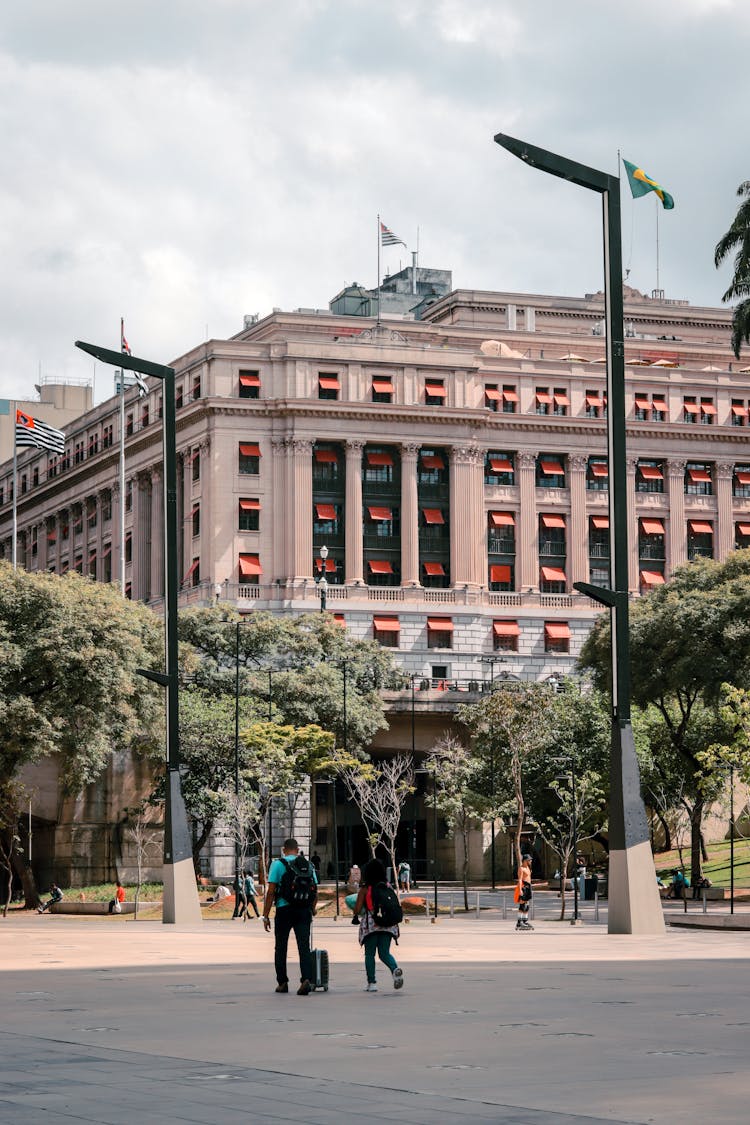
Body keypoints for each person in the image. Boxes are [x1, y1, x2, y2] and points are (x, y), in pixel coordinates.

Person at [262, 838, 318, 996]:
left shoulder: (278, 864)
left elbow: (271, 891)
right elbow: (315, 892)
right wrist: (312, 910)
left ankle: (282, 982)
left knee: (281, 947)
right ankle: (306, 979)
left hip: (284, 909)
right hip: (303, 911)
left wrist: (265, 916)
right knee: (304, 947)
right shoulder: (308, 865)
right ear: (297, 849)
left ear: (284, 849)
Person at [353, 858, 404, 993]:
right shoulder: (387, 886)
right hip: (388, 924)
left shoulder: (365, 888)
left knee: (369, 954)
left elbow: (357, 908)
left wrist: (356, 913)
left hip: (371, 926)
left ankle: (372, 983)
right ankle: (394, 969)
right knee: (384, 953)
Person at [516, 853, 534, 931]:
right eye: (529, 860)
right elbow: (520, 879)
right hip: (524, 887)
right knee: (522, 904)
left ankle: (525, 921)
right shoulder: (521, 869)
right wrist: (520, 889)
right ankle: (519, 922)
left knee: (527, 905)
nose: (531, 861)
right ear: (525, 860)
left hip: (528, 887)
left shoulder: (528, 868)